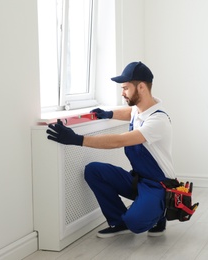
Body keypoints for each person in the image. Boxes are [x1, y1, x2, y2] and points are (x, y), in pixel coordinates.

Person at [46, 61, 175, 238]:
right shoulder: (140, 110)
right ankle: (119, 222)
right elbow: (129, 113)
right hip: (139, 181)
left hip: (158, 186)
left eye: (125, 88)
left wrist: (77, 139)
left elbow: (119, 141)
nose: (122, 93)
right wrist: (108, 113)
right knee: (94, 171)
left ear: (142, 87)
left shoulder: (158, 120)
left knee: (136, 223)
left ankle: (160, 212)